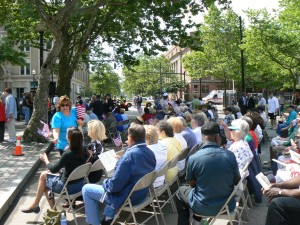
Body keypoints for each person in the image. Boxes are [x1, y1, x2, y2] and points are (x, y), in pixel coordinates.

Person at [82, 124, 156, 225]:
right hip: (141, 194)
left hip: (127, 197)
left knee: (86, 189)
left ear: (130, 137)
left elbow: (114, 186)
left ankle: (95, 223)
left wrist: (105, 183)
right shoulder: (150, 153)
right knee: (116, 182)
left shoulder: (129, 156)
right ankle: (108, 218)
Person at [175, 121, 241, 225]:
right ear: (217, 137)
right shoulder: (230, 155)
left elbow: (191, 184)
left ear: (202, 137)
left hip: (202, 207)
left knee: (180, 192)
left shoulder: (193, 158)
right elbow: (237, 180)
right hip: (227, 205)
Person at [21, 127, 88, 213]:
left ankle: (51, 211)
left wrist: (46, 159)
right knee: (46, 177)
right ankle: (36, 205)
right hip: (79, 185)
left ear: (69, 138)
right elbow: (71, 166)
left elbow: (53, 169)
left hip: (68, 188)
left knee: (44, 180)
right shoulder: (84, 150)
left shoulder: (68, 153)